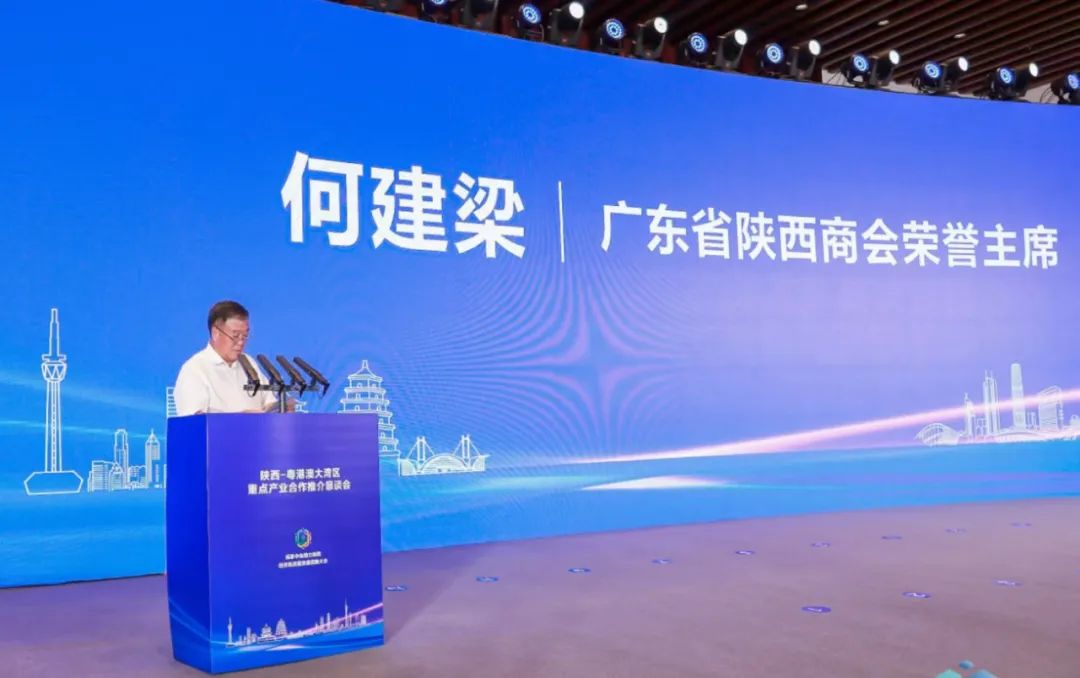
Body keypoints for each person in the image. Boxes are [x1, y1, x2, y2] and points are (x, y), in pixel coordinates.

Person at [173, 300, 286, 415]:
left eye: (245, 336)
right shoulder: (195, 369)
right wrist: (240, 419)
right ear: (215, 333)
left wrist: (279, 409)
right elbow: (194, 421)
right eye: (235, 336)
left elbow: (269, 402)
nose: (241, 342)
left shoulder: (248, 363)